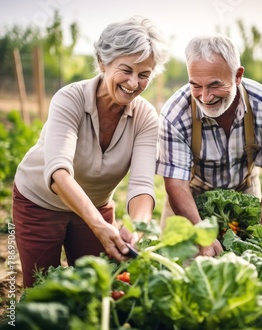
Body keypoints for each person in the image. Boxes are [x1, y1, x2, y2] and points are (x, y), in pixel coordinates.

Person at [12, 16, 170, 287]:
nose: (134, 83)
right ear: (102, 62)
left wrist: (135, 228)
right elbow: (59, 171)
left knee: (99, 289)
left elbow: (142, 186)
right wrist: (99, 225)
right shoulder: (70, 98)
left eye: (144, 75)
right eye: (126, 70)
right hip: (39, 202)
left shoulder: (146, 117)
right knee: (40, 289)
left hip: (96, 206)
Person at [156, 34, 262, 256]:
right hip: (190, 198)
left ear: (238, 76)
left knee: (247, 269)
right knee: (179, 270)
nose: (205, 96)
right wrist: (201, 232)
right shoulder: (175, 114)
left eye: (214, 85)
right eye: (196, 86)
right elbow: (176, 184)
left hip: (244, 193)